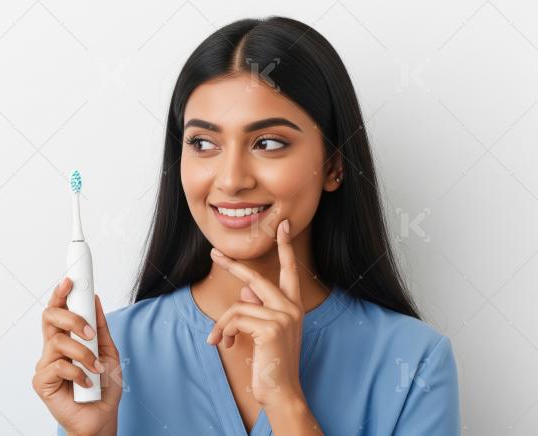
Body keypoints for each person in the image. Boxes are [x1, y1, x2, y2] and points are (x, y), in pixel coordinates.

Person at [33, 16, 460, 436]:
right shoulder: (111, 352)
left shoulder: (414, 361)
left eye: (268, 143)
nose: (232, 179)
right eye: (203, 143)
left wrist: (287, 402)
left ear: (333, 165)